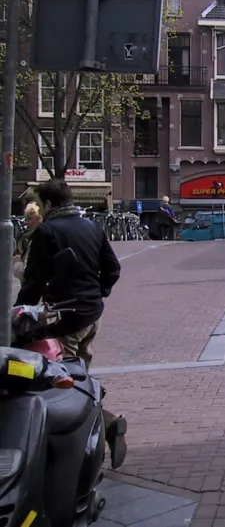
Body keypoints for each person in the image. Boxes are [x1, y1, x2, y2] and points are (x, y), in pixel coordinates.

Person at [14, 179, 126, 467]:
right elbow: (113, 268)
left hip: (66, 316)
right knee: (80, 375)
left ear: (49, 204)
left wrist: (18, 314)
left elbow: (34, 281)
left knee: (62, 382)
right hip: (91, 314)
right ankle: (100, 428)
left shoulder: (47, 231)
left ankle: (100, 432)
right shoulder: (92, 226)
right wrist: (98, 292)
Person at [12, 201, 42, 282]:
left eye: (30, 219)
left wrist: (17, 263)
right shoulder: (37, 236)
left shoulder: (38, 239)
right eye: (26, 219)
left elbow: (26, 273)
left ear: (39, 218)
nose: (26, 222)